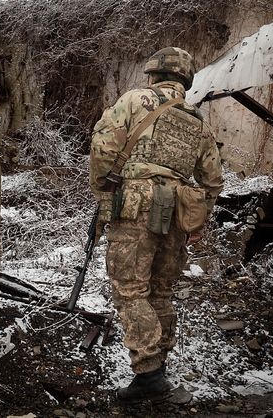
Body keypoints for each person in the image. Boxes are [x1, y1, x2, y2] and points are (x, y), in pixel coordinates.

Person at [89, 46, 223, 404]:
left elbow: (103, 148)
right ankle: (158, 367)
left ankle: (148, 374)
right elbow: (212, 181)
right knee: (160, 292)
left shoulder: (134, 100)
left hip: (134, 206)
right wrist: (197, 217)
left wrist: (104, 192)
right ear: (186, 82)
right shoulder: (197, 120)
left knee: (130, 290)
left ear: (152, 75)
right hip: (176, 211)